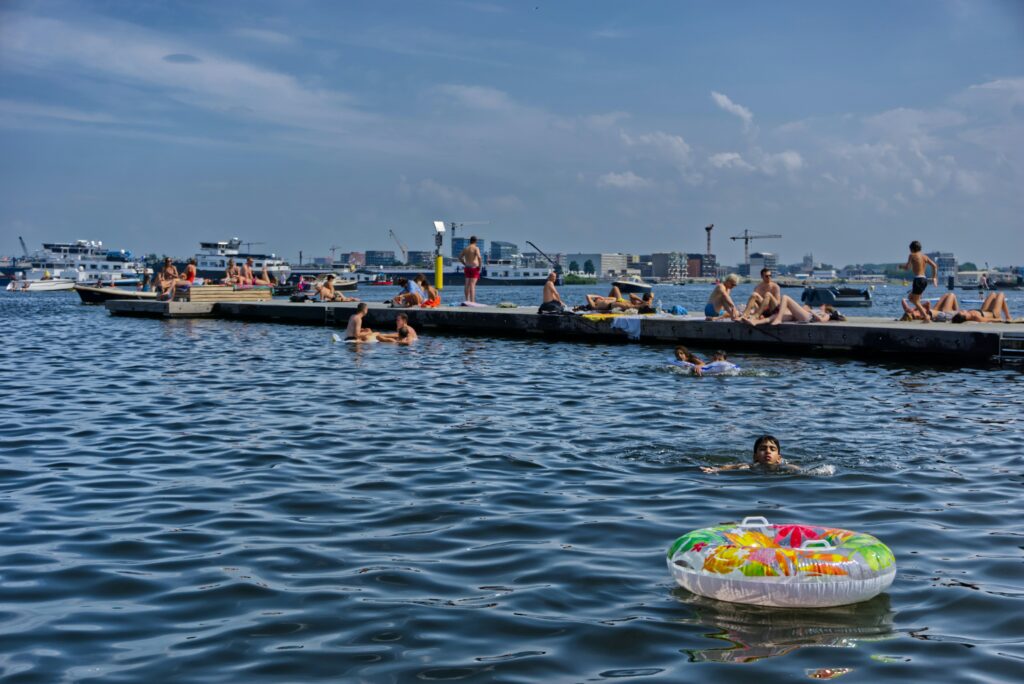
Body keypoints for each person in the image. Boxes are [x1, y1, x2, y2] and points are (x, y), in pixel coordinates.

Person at [700, 435, 799, 474]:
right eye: (763, 449)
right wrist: (715, 469)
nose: (768, 451)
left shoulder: (782, 466)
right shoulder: (750, 466)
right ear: (755, 456)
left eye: (772, 449)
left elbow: (796, 468)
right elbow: (731, 466)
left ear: (779, 458)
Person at [902, 240, 938, 322]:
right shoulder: (925, 257)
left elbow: (907, 268)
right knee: (911, 298)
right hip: (924, 280)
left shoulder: (912, 255)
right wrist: (934, 278)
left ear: (911, 249)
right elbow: (935, 266)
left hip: (918, 279)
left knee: (915, 300)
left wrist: (900, 267)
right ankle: (923, 311)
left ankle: (926, 317)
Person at [745, 294, 838, 325]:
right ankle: (755, 322)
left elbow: (821, 320)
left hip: (809, 317)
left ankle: (779, 319)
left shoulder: (826, 314)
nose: (821, 306)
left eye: (824, 306)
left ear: (827, 309)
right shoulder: (815, 309)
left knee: (785, 297)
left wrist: (812, 312)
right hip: (798, 317)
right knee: (774, 316)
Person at [459, 236, 483, 303]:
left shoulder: (466, 248)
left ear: (470, 241)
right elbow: (479, 257)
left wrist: (464, 264)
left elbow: (459, 257)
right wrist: (480, 266)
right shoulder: (476, 248)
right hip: (474, 268)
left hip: (467, 267)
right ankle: (472, 301)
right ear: (476, 241)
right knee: (472, 285)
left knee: (467, 284)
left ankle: (467, 300)